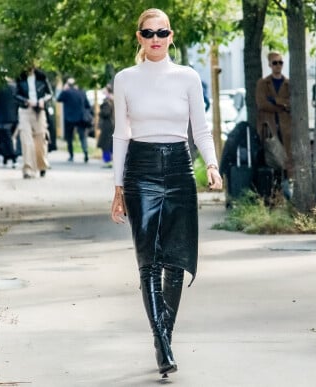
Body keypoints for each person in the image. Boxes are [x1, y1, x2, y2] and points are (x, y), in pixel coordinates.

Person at [110, 8, 223, 378]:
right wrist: (117, 187)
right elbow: (120, 135)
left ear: (172, 36)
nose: (156, 38)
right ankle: (163, 343)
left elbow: (200, 129)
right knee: (149, 261)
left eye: (163, 31)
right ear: (139, 37)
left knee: (175, 260)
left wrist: (211, 164)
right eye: (148, 32)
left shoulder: (187, 77)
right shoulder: (125, 79)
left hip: (178, 167)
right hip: (140, 170)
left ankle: (163, 341)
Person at [256, 51, 292, 179]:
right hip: (269, 127)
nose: (278, 66)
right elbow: (262, 103)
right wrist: (282, 106)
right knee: (271, 157)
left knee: (287, 157)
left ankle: (287, 185)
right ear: (270, 65)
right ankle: (272, 189)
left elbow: (291, 103)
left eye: (280, 62)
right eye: (275, 63)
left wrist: (275, 100)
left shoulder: (289, 84)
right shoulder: (263, 83)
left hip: (286, 127)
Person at [14, 64, 52, 179]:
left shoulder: (42, 77)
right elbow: (15, 94)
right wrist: (26, 101)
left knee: (41, 140)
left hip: (39, 111)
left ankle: (42, 166)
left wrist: (43, 101)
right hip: (25, 111)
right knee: (26, 140)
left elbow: (50, 94)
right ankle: (28, 169)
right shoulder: (20, 78)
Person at [56, 78, 92, 163]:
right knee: (83, 137)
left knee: (69, 138)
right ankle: (85, 152)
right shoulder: (82, 93)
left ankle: (71, 155)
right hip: (81, 118)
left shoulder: (66, 92)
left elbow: (58, 99)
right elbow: (87, 105)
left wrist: (64, 89)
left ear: (68, 85)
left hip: (69, 118)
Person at [0, 78, 20, 168]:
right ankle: (7, 157)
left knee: (6, 139)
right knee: (9, 138)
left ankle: (11, 157)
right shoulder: (15, 87)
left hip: (2, 118)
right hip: (14, 117)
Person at [96, 84, 114, 167]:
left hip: (107, 125)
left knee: (106, 143)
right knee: (109, 143)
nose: (103, 90)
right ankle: (109, 160)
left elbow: (106, 113)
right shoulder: (113, 99)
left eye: (104, 89)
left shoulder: (108, 101)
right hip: (112, 124)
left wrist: (100, 112)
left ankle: (107, 161)